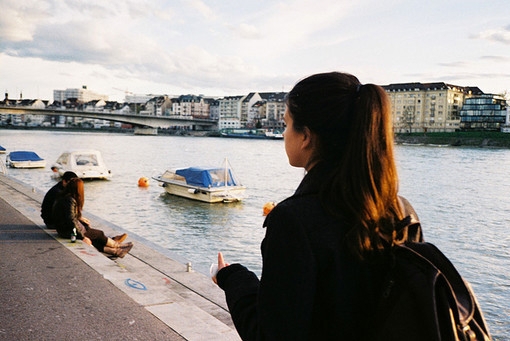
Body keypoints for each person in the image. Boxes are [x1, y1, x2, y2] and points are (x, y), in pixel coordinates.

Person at [212, 72, 422, 340]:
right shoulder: (402, 212)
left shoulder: (294, 221)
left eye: (287, 124)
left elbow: (271, 335)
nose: (284, 134)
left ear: (306, 137)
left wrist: (234, 279)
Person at [53, 178, 133, 258]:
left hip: (63, 229)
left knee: (93, 238)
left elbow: (70, 217)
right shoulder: (70, 200)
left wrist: (81, 221)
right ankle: (116, 245)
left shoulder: (64, 197)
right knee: (98, 234)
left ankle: (115, 251)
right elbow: (71, 220)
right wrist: (82, 237)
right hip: (67, 231)